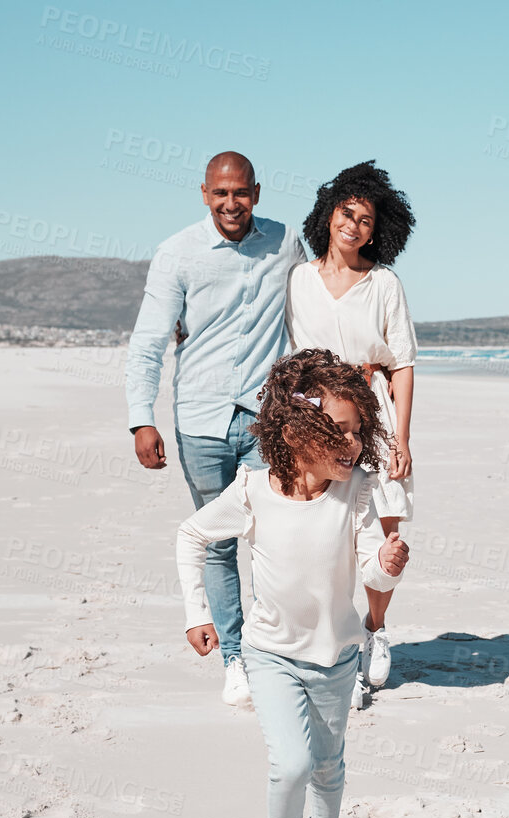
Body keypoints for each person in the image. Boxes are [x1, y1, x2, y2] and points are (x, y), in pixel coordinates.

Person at [174, 350, 409, 818]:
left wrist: (388, 564)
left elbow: (370, 573)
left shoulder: (354, 491)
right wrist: (196, 613)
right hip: (271, 654)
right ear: (295, 429)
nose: (353, 446)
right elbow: (192, 534)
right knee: (294, 763)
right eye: (340, 432)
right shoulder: (254, 489)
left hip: (336, 656)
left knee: (330, 765)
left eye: (359, 432)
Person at [126, 150, 305, 709]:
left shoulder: (286, 243)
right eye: (220, 193)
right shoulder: (176, 253)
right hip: (199, 420)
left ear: (257, 191)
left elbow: (315, 310)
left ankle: (277, 651)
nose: (232, 204)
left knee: (277, 538)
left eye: (241, 192)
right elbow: (150, 339)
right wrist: (141, 419)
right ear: (205, 194)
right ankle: (236, 661)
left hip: (266, 417)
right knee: (219, 540)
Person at [286, 161, 418, 708]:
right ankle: (332, 650)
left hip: (375, 416)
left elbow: (404, 363)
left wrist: (403, 439)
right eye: (347, 213)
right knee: (324, 532)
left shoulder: (384, 283)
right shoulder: (297, 279)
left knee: (383, 532)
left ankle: (375, 630)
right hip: (313, 415)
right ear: (329, 213)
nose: (355, 226)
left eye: (366, 219)